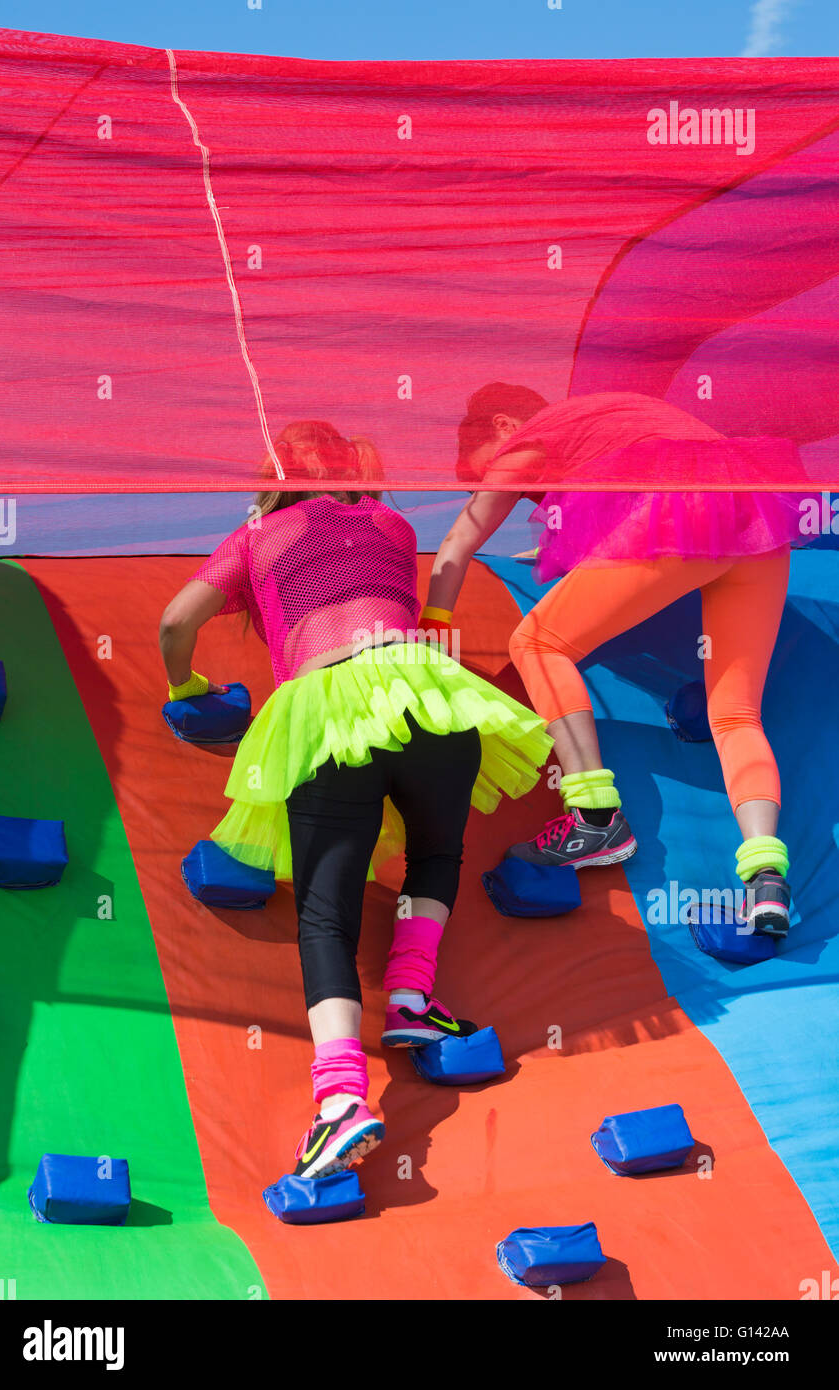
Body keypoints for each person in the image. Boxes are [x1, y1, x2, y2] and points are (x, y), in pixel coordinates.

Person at [159, 420, 552, 1179]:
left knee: (324, 913)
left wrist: (184, 686)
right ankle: (410, 1000)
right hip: (428, 694)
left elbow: (176, 620)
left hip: (331, 708)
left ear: (273, 479)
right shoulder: (392, 522)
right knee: (438, 851)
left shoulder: (258, 536)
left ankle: (341, 1100)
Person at [425, 383, 808, 938]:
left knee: (536, 642)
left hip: (687, 508)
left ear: (505, 427)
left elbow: (462, 537)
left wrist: (433, 626)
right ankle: (766, 876)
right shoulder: (614, 416)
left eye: (480, 476)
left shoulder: (533, 439)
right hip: (756, 516)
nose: (514, 498)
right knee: (736, 715)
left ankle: (595, 818)